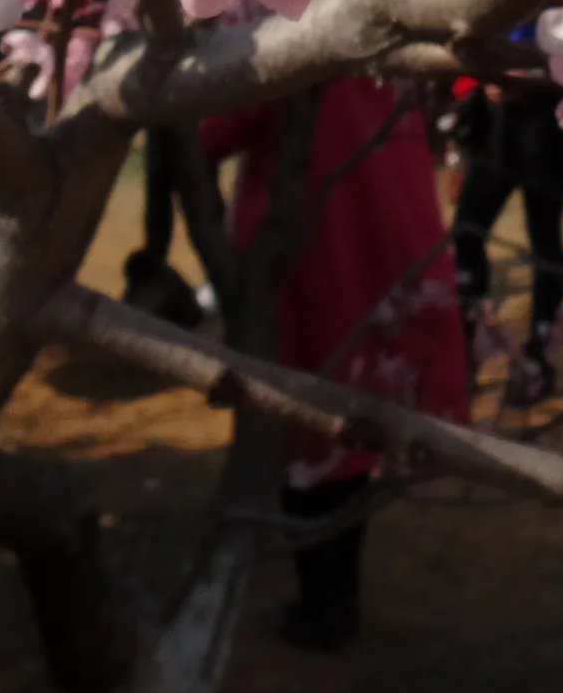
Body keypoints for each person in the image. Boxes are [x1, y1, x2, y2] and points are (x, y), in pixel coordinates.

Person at [199, 73, 470, 652]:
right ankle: (334, 593)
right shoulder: (380, 19)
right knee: (352, 421)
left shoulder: (282, 20)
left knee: (309, 424)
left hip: (316, 239)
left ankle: (325, 601)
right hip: (382, 224)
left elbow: (213, 129)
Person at [448, 68, 563, 401]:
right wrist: (483, 74)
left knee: (544, 240)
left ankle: (539, 352)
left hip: (543, 124)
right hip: (494, 124)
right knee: (466, 231)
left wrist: (532, 75)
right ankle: (464, 344)